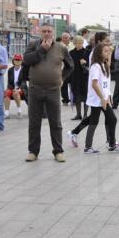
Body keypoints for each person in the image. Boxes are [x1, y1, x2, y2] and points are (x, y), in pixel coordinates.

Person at [23, 23, 74, 163]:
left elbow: (71, 65)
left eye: (49, 31)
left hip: (53, 90)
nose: (46, 33)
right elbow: (26, 60)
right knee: (34, 123)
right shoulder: (33, 44)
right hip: (35, 89)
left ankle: (58, 151)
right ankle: (33, 151)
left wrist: (62, 78)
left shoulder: (61, 48)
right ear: (40, 32)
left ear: (53, 32)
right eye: (44, 31)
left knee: (55, 122)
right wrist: (41, 50)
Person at [67, 32, 112, 147]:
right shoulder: (95, 54)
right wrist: (102, 96)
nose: (109, 43)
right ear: (99, 42)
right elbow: (96, 73)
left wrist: (108, 94)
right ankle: (109, 142)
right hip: (97, 93)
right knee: (99, 119)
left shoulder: (104, 51)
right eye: (106, 41)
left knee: (98, 118)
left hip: (103, 92)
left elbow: (107, 68)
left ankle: (75, 132)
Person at [83, 43, 119, 153]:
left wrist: (108, 97)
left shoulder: (103, 65)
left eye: (109, 51)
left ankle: (111, 144)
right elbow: (94, 84)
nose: (108, 53)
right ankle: (88, 147)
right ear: (99, 53)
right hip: (97, 99)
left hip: (104, 98)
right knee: (95, 121)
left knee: (111, 119)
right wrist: (102, 98)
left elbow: (105, 84)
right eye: (105, 51)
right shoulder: (95, 66)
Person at [69, 35, 89, 120]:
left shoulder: (87, 52)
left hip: (84, 77)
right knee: (76, 96)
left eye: (81, 42)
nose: (80, 44)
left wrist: (85, 63)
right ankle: (78, 114)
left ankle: (85, 115)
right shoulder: (71, 53)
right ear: (74, 43)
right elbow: (69, 65)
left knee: (85, 96)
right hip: (74, 77)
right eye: (78, 43)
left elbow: (90, 64)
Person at [4, 54, 26, 119]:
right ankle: (6, 113)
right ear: (13, 61)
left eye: (19, 60)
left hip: (21, 89)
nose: (17, 61)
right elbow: (9, 83)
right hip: (12, 88)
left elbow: (23, 82)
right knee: (7, 93)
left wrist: (19, 89)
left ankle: (19, 111)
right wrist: (12, 88)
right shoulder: (10, 70)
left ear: (22, 61)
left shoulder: (24, 70)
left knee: (16, 93)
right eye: (16, 59)